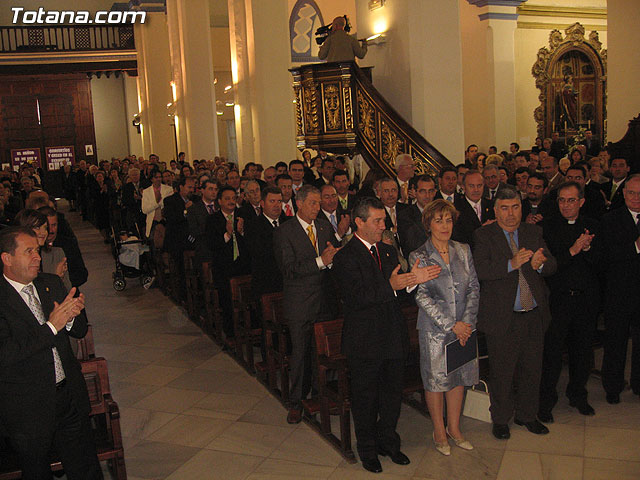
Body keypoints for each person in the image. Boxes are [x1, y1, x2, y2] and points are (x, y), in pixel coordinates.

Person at [0, 227, 102, 479]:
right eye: (29, 251)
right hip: (27, 406)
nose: (38, 257)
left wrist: (70, 318)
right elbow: (6, 354)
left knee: (85, 468)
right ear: (7, 258)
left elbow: (78, 331)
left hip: (67, 395)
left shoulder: (51, 283)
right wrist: (51, 326)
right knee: (37, 472)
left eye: (37, 250)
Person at [333, 197, 415, 473]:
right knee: (365, 398)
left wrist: (411, 282)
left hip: (392, 335)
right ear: (359, 222)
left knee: (392, 396)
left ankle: (388, 442)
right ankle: (367, 449)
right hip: (364, 340)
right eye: (377, 221)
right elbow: (356, 298)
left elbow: (397, 289)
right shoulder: (345, 257)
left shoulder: (388, 251)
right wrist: (391, 286)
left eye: (384, 220)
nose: (384, 225)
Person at [472, 186, 556, 440]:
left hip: (533, 313)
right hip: (502, 316)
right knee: (502, 372)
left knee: (532, 369)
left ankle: (527, 415)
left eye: (515, 207)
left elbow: (551, 264)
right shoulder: (483, 235)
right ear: (495, 210)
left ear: (522, 207)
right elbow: (481, 271)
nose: (511, 214)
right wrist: (512, 264)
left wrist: (541, 265)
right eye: (505, 208)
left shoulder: (533, 231)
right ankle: (500, 418)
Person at [409, 199, 479, 456]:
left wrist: (467, 323)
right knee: (436, 381)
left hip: (465, 327)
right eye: (438, 220)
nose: (445, 225)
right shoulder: (419, 255)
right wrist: (452, 325)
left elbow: (473, 287)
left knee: (459, 377)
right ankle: (439, 430)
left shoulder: (463, 249)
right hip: (435, 331)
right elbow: (422, 296)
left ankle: (455, 428)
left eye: (448, 219)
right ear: (428, 224)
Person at [273, 185, 340, 424]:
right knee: (301, 355)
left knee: (324, 354)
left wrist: (333, 259)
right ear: (299, 204)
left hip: (325, 300)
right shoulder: (285, 232)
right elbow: (289, 270)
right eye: (313, 203)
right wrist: (322, 261)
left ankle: (322, 395)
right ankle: (296, 402)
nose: (317, 207)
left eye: (319, 203)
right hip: (300, 303)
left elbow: (333, 257)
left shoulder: (323, 226)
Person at [538, 182, 601, 421]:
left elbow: (602, 263)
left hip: (586, 301)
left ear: (581, 202)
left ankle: (578, 395)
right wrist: (574, 250)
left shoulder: (593, 226)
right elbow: (549, 266)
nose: (566, 205)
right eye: (562, 200)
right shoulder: (547, 227)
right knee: (552, 354)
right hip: (558, 300)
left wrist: (588, 250)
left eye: (571, 200)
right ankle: (546, 401)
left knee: (582, 352)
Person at [600, 174, 640, 404]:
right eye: (631, 193)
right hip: (619, 291)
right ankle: (612, 387)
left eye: (639, 194)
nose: (636, 198)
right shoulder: (611, 220)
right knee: (615, 341)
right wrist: (635, 246)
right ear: (624, 194)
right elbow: (608, 256)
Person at [15, 209, 70, 291]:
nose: (43, 233)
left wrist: (58, 279)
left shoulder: (57, 254)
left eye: (45, 228)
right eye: (37, 227)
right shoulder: (15, 258)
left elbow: (67, 290)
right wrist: (56, 279)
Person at [452, 170, 495, 248]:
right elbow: (457, 237)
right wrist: (482, 229)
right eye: (471, 186)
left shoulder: (492, 205)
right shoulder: (455, 208)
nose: (476, 190)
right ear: (463, 187)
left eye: (479, 185)